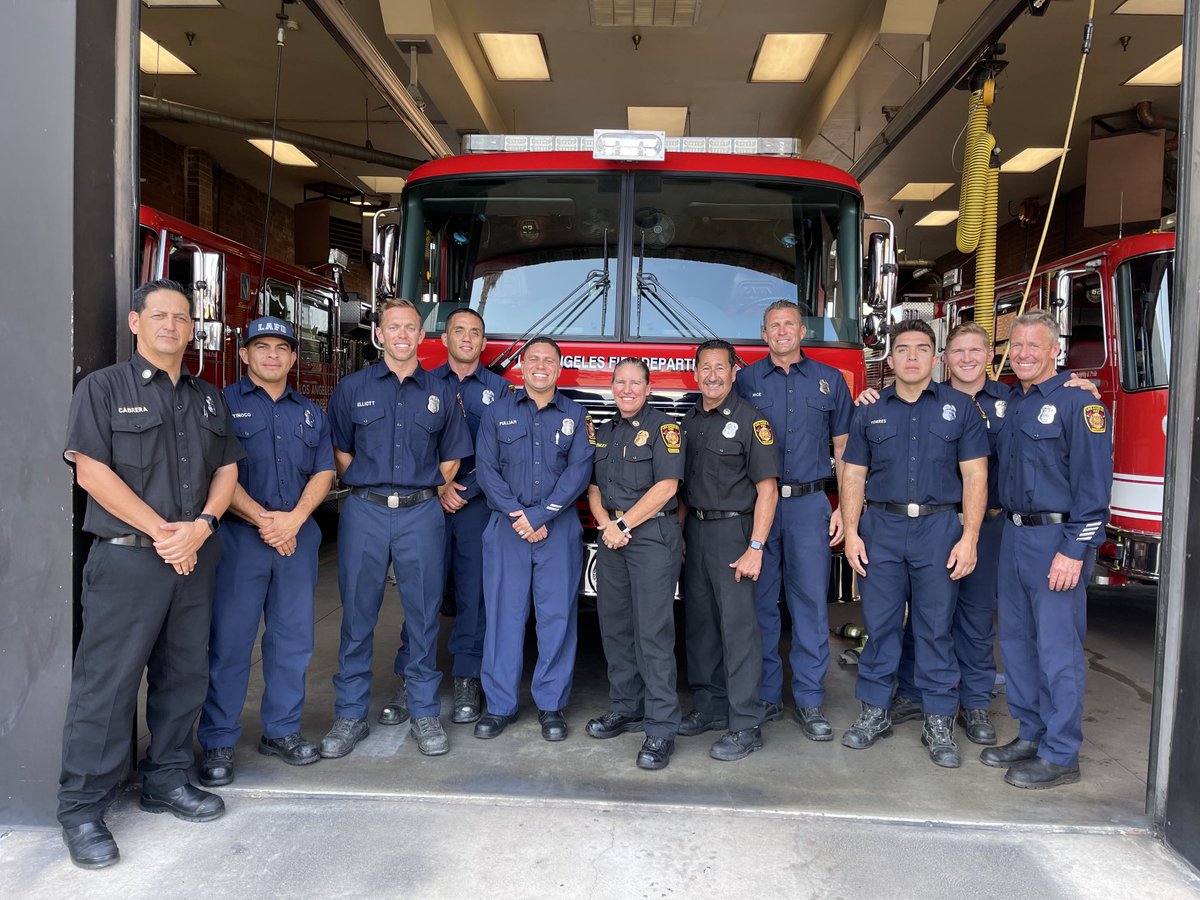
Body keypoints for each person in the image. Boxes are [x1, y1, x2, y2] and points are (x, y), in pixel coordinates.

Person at [58, 279, 243, 869]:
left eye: (182, 317)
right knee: (107, 683)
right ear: (136, 322)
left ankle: (167, 777)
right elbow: (92, 474)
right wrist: (168, 533)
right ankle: (83, 805)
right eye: (159, 315)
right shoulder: (102, 389)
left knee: (183, 674)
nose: (171, 325)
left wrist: (204, 525)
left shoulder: (208, 397)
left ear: (193, 330)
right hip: (129, 557)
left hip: (193, 555)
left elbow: (227, 470)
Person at [857, 324, 1100, 745]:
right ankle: (918, 695)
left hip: (992, 526)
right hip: (939, 525)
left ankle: (973, 703)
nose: (967, 358)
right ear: (943, 359)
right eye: (957, 351)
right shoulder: (904, 401)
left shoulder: (1015, 400)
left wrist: (1075, 384)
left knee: (974, 618)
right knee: (927, 616)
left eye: (975, 350)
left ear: (989, 356)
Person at [323, 298, 471, 758]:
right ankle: (349, 716)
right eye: (394, 327)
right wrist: (371, 484)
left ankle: (424, 712)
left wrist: (417, 490)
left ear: (421, 336)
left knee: (424, 616)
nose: (403, 334)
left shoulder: (441, 392)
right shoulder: (352, 387)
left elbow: (452, 457)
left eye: (411, 327)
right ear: (379, 335)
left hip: (421, 513)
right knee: (358, 616)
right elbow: (341, 452)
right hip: (364, 510)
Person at [840, 319, 988, 768]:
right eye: (902, 349)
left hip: (939, 530)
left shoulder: (961, 409)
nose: (911, 357)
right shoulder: (868, 411)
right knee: (880, 626)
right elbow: (852, 476)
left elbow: (976, 475)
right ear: (890, 358)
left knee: (935, 628)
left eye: (922, 349)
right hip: (880, 529)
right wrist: (850, 534)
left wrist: (970, 537)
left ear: (935, 357)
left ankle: (939, 718)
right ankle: (874, 712)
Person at [196, 317, 335, 786]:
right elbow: (217, 473)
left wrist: (293, 520)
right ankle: (217, 740)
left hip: (296, 537)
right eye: (262, 347)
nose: (272, 355)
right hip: (239, 539)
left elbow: (323, 472)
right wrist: (265, 521)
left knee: (293, 641)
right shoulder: (219, 404)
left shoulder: (311, 412)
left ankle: (281, 731)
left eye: (281, 348)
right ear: (244, 354)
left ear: (294, 357)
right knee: (231, 643)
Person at [983, 310, 1112, 789]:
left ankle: (1061, 753)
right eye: (1015, 346)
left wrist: (1074, 551)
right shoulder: (1016, 403)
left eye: (1033, 346)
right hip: (1015, 536)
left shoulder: (1081, 404)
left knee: (1058, 651)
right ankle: (1031, 733)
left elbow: (1095, 490)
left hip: (1057, 541)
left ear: (1055, 350)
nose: (1022, 354)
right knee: (1016, 644)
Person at [378, 309, 511, 730]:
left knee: (474, 596)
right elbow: (411, 447)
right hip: (426, 505)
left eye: (475, 332)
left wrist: (464, 491)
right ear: (444, 337)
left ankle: (467, 677)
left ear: (483, 341)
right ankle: (410, 678)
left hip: (478, 506)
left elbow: (505, 454)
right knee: (422, 594)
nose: (467, 338)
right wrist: (439, 488)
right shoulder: (425, 382)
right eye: (459, 330)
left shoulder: (502, 390)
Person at [733, 299, 852, 740]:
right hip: (758, 507)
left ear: (803, 331)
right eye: (773, 326)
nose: (781, 332)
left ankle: (809, 700)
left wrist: (844, 508)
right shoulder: (744, 381)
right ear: (764, 335)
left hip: (809, 505)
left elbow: (844, 449)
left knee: (809, 607)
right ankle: (766, 697)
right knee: (760, 604)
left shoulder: (829, 381)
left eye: (789, 325)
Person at [473, 337, 594, 743]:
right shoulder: (496, 413)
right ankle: (500, 706)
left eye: (549, 361)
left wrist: (541, 515)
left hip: (557, 530)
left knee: (557, 619)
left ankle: (551, 706)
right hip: (507, 528)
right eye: (534, 360)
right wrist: (519, 515)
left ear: (559, 370)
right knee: (504, 619)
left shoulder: (575, 415)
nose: (541, 366)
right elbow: (487, 471)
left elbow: (579, 472)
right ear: (521, 367)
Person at [678, 339, 779, 761]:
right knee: (700, 624)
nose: (713, 376)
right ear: (696, 372)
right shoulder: (689, 422)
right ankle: (709, 705)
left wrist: (755, 546)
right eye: (706, 368)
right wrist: (680, 536)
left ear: (734, 372)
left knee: (738, 631)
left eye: (721, 368)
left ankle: (745, 722)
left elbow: (768, 490)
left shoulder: (753, 422)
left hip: (736, 533)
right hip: (697, 532)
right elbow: (682, 489)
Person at [585, 358, 685, 769]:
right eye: (619, 382)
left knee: (653, 632)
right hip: (613, 540)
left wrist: (623, 523)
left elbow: (667, 487)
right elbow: (593, 488)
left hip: (651, 539)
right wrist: (608, 525)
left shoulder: (666, 430)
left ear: (648, 387)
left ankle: (661, 729)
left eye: (634, 383)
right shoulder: (603, 432)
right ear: (611, 386)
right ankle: (626, 706)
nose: (626, 389)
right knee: (616, 627)